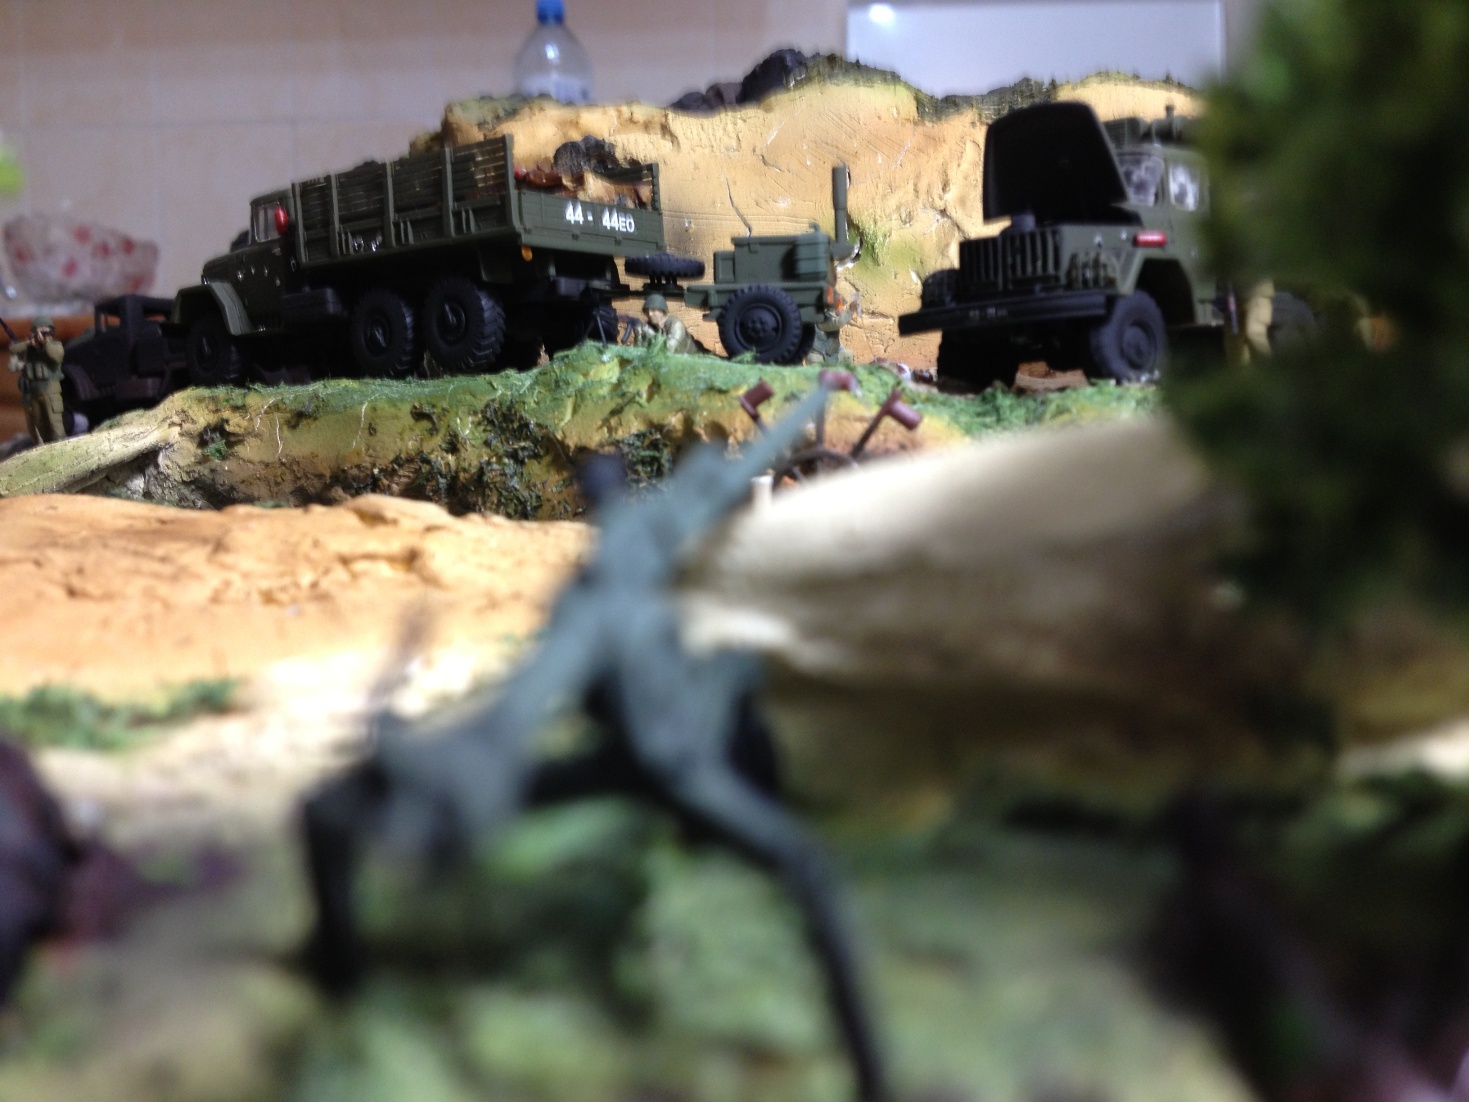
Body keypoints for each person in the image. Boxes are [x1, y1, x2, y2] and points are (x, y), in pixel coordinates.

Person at [7, 316, 66, 445]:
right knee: (40, 424)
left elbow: (56, 356)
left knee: (55, 422)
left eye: (45, 330)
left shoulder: (55, 345)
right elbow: (13, 355)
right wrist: (29, 343)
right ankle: (46, 448)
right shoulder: (29, 349)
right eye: (38, 330)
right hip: (34, 392)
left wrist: (45, 343)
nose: (41, 332)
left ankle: (61, 446)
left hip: (50, 389)